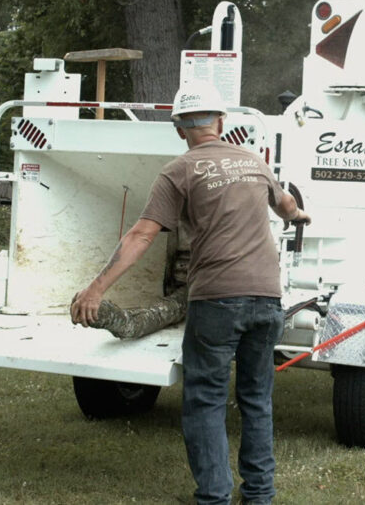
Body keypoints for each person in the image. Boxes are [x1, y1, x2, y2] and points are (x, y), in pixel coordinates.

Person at [71, 81, 311, 505]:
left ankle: (215, 498)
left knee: (206, 402)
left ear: (180, 129)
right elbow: (286, 205)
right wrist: (300, 214)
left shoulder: (178, 171)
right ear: (221, 122)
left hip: (216, 301)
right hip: (267, 301)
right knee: (256, 399)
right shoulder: (254, 161)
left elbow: (143, 234)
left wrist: (96, 288)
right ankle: (259, 495)